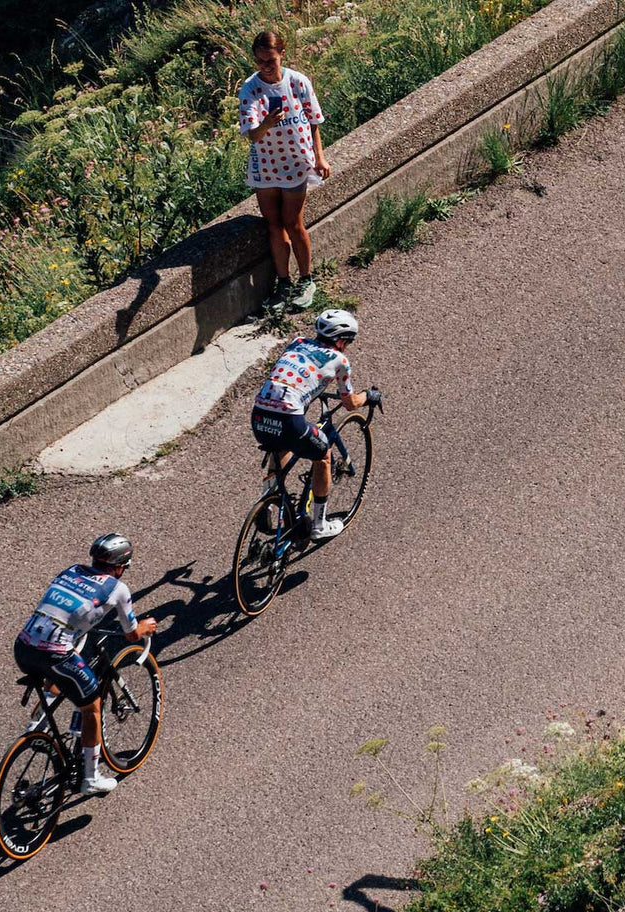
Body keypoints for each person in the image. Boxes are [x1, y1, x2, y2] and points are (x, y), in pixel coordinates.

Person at [12, 533, 157, 795]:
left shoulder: (71, 571)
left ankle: (38, 726)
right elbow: (131, 635)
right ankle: (91, 779)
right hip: (55, 652)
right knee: (92, 706)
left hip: (23, 646)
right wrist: (145, 627)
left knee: (62, 670)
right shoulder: (117, 588)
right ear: (120, 565)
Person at [251, 309, 374, 541]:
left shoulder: (296, 342)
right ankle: (319, 525)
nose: (347, 346)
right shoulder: (340, 360)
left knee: (281, 447)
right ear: (340, 339)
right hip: (290, 420)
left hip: (259, 414)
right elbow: (350, 403)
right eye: (348, 341)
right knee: (323, 454)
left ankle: (267, 502)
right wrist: (368, 396)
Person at [239, 29, 332, 313]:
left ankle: (306, 279)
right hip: (266, 166)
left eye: (270, 60)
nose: (265, 66)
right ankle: (284, 281)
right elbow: (252, 134)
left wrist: (320, 157)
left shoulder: (298, 81)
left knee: (293, 222)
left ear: (282, 55)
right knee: (274, 225)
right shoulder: (250, 88)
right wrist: (267, 122)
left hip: (295, 162)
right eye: (259, 61)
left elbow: (314, 120)